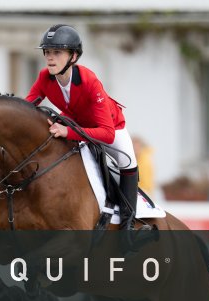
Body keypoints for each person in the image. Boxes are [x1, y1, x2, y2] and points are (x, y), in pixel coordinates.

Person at [25, 24, 141, 230]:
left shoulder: (89, 81)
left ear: (73, 56)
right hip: (75, 122)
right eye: (47, 52)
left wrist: (68, 131)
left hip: (109, 127)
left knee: (127, 162)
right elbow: (26, 108)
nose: (50, 58)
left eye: (57, 52)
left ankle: (128, 223)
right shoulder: (45, 77)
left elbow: (106, 134)